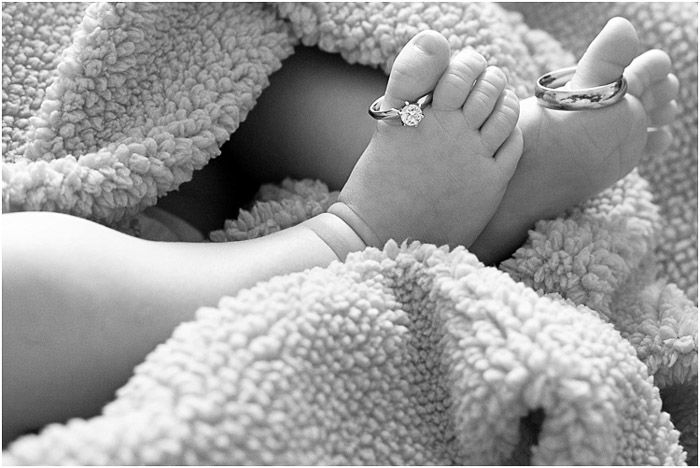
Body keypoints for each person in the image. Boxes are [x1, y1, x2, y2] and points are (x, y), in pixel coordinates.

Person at [2, 18, 677, 444]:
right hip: (79, 257)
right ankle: (354, 229)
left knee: (224, 53)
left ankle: (489, 164)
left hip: (159, 145)